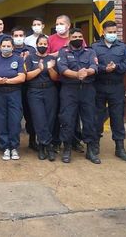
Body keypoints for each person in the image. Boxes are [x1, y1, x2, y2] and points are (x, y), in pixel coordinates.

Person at [49, 28, 98, 164]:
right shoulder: (63, 52)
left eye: (80, 36)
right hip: (69, 90)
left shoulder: (90, 51)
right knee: (67, 120)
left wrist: (87, 72)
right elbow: (62, 69)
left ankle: (90, 150)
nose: (78, 38)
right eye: (75, 36)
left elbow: (95, 66)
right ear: (70, 38)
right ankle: (67, 149)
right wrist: (77, 74)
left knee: (89, 120)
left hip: (87, 90)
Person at [92, 21, 126, 162]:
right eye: (109, 32)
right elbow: (92, 64)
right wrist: (104, 68)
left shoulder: (123, 46)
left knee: (117, 117)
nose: (112, 34)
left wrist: (116, 67)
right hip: (99, 86)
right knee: (97, 117)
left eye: (114, 31)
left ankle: (120, 147)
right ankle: (95, 145)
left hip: (117, 87)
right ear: (103, 32)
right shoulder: (95, 47)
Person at [46, 15, 86, 153]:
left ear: (68, 26)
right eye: (57, 23)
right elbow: (46, 56)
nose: (58, 26)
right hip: (55, 81)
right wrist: (61, 52)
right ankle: (56, 141)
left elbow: (83, 54)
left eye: (61, 23)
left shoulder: (76, 38)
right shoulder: (50, 39)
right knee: (57, 113)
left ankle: (75, 141)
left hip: (72, 82)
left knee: (73, 114)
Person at [0, 37, 26, 161]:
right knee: (1, 119)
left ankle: (14, 147)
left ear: (13, 47)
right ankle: (5, 147)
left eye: (9, 46)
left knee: (14, 120)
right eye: (4, 46)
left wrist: (6, 81)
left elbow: (22, 78)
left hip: (14, 93)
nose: (6, 48)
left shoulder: (18, 59)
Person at [25, 35, 57, 161]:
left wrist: (49, 69)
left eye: (45, 44)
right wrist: (39, 69)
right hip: (34, 90)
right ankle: (45, 145)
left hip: (50, 90)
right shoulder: (30, 58)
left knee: (50, 118)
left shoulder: (52, 58)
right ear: (36, 44)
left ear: (48, 45)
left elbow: (55, 78)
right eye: (41, 44)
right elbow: (27, 76)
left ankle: (45, 145)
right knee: (39, 118)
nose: (42, 46)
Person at [11, 27, 37, 151]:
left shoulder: (31, 50)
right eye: (16, 35)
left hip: (29, 86)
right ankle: (13, 143)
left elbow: (35, 66)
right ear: (12, 37)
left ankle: (32, 140)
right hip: (14, 87)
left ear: (25, 36)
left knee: (31, 114)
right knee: (15, 116)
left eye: (21, 35)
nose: (18, 37)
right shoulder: (9, 50)